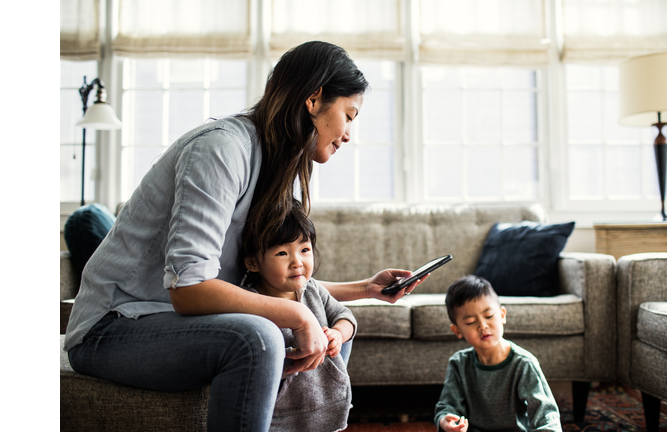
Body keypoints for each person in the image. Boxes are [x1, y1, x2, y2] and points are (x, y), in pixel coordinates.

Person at [64, 41, 424, 432]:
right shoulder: (222, 149)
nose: (350, 133)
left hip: (169, 321)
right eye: (349, 115)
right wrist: (296, 314)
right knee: (259, 338)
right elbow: (189, 289)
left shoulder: (276, 168)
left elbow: (281, 279)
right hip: (113, 326)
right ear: (314, 99)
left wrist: (367, 289)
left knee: (328, 331)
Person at [239, 198, 356, 431]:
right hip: (278, 410)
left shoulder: (312, 290)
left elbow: (345, 316)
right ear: (253, 262)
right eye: (282, 253)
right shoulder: (250, 302)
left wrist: (338, 334)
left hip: (325, 400)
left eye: (304, 250)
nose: (297, 262)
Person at [435, 275, 562, 432]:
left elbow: (546, 416)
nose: (483, 326)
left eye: (489, 316)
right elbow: (448, 406)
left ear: (502, 315)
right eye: (470, 322)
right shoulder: (458, 363)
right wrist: (446, 419)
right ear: (457, 330)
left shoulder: (523, 363)